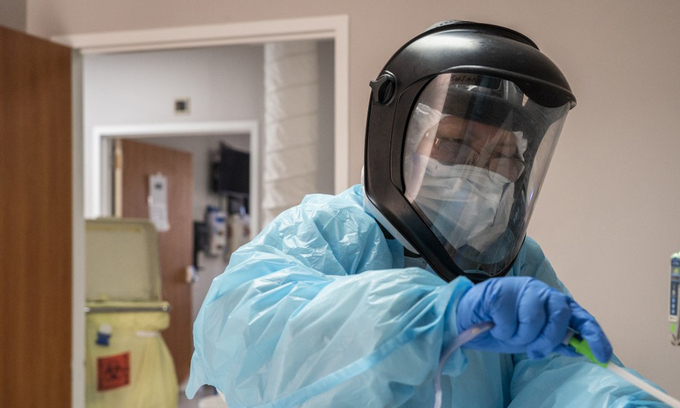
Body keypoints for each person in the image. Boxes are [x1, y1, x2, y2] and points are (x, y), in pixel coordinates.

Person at [186, 21, 667, 407]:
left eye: (504, 156)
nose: (479, 172)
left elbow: (559, 374)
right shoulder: (326, 233)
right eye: (453, 143)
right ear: (396, 143)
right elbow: (248, 334)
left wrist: (617, 399)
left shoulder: (518, 265)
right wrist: (436, 317)